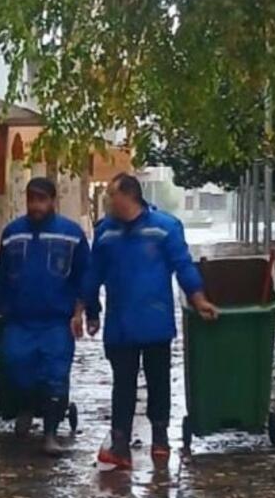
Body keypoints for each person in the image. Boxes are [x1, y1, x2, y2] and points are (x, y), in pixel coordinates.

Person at [83, 171, 217, 467]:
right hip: (120, 324)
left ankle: (160, 437)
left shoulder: (165, 228)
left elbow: (183, 265)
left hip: (155, 320)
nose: (107, 200)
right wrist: (91, 310)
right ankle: (120, 443)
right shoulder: (105, 231)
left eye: (110, 195)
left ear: (128, 196)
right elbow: (94, 274)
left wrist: (199, 299)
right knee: (123, 383)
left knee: (159, 380)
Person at [0, 176, 94, 455]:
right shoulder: (12, 233)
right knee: (13, 365)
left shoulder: (71, 234)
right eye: (31, 199)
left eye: (41, 199)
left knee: (54, 375)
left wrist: (84, 311)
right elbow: (1, 274)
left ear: (52, 201)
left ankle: (50, 433)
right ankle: (24, 408)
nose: (35, 206)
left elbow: (86, 276)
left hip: (55, 322)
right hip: (19, 321)